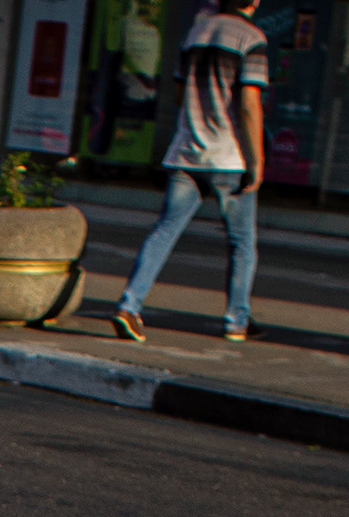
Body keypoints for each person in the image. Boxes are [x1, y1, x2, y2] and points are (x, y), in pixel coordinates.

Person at [108, 2, 267, 343]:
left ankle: (129, 305)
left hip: (186, 151)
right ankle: (236, 319)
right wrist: (257, 162)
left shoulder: (196, 32)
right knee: (241, 242)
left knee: (165, 230)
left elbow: (180, 95)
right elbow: (249, 105)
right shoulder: (251, 38)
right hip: (229, 156)